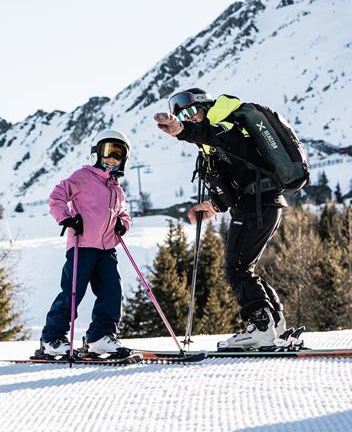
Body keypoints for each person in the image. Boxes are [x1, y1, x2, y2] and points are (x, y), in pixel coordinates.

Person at [154, 88, 293, 350]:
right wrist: (213, 206)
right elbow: (236, 182)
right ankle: (275, 324)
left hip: (257, 206)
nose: (191, 118)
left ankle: (261, 328)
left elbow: (209, 134)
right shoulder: (214, 142)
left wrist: (180, 129)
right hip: (259, 204)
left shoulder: (226, 125)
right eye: (184, 114)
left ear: (206, 106)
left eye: (193, 111)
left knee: (236, 269)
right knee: (244, 268)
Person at [38, 130, 133, 358]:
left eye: (118, 154)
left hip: (107, 249)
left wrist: (122, 224)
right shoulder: (82, 176)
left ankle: (100, 337)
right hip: (82, 246)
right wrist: (67, 217)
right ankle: (52, 338)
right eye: (109, 151)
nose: (112, 159)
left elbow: (124, 213)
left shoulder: (117, 189)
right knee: (72, 292)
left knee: (112, 292)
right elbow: (57, 196)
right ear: (97, 153)